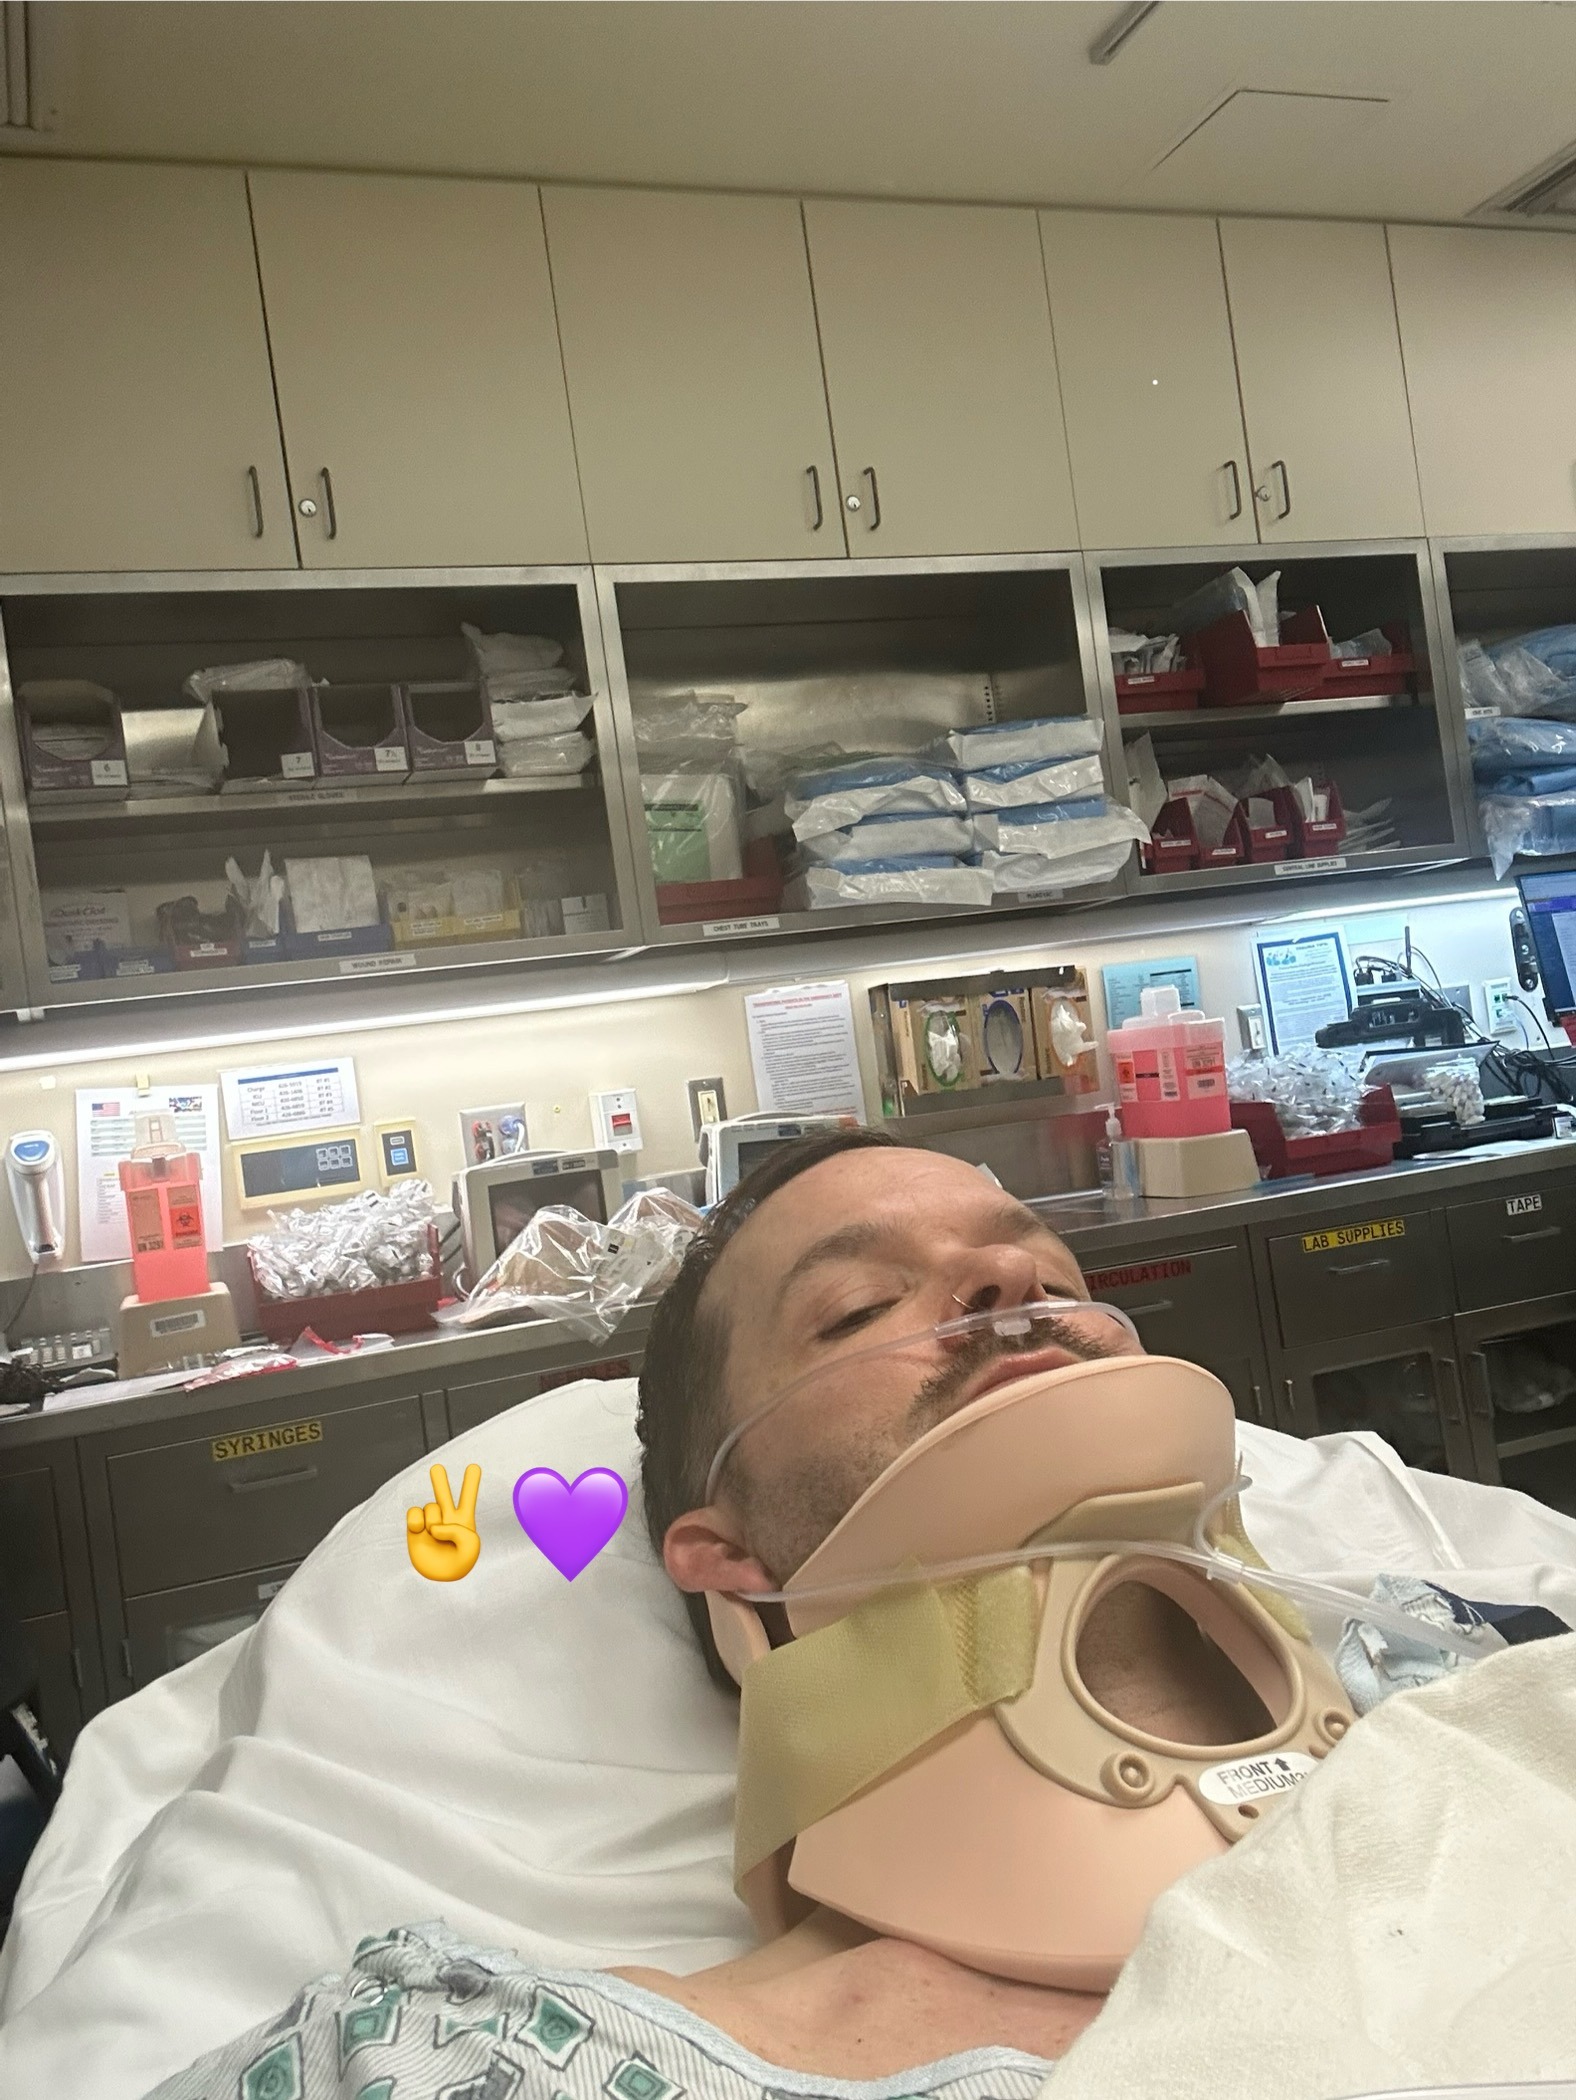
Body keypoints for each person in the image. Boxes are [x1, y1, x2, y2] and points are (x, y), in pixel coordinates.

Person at [148, 1129, 1273, 2100]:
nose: (1009, 1278)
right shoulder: (468, 2058)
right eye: (860, 1307)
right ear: (729, 1560)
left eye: (1058, 1277)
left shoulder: (1399, 1699)